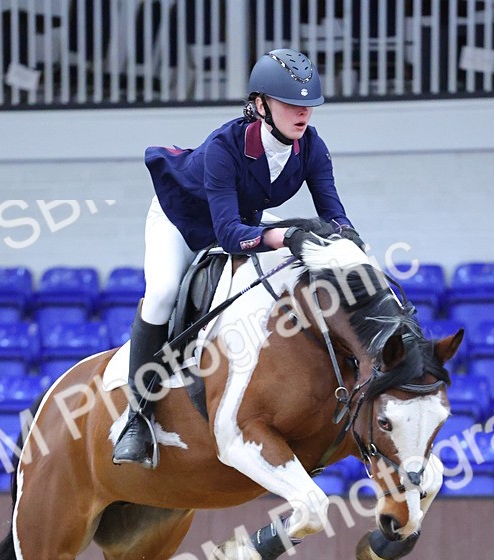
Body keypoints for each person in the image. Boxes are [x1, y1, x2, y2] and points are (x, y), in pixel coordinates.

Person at [112, 47, 357, 468]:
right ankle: (138, 416)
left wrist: (348, 242)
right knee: (162, 293)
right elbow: (227, 236)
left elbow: (334, 215)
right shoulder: (227, 146)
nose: (303, 115)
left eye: (308, 106)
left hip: (241, 219)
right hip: (183, 220)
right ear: (260, 104)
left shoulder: (312, 148)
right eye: (290, 104)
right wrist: (287, 235)